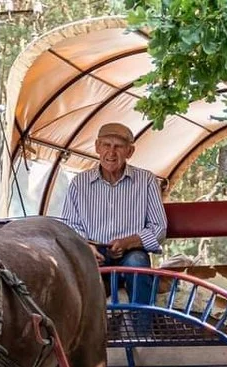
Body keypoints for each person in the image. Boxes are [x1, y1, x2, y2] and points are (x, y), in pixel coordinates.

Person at [60, 122, 168, 305]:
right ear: (97, 147)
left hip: (132, 251)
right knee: (75, 272)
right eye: (106, 145)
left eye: (118, 147)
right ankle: (87, 332)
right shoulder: (80, 183)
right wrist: (87, 247)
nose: (111, 152)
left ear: (130, 152)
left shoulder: (146, 180)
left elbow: (159, 228)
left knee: (136, 264)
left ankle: (142, 331)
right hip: (93, 250)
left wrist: (127, 243)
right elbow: (70, 225)